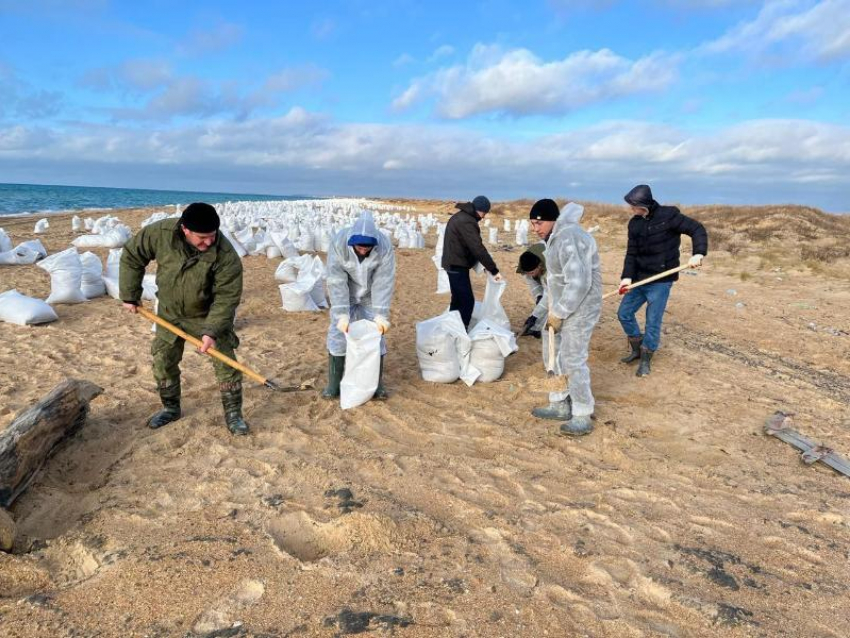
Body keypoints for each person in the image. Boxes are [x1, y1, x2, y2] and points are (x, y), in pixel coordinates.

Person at [120, 202, 248, 435]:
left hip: (206, 314)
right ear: (185, 230)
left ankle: (234, 415)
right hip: (169, 313)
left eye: (212, 236)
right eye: (202, 237)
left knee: (226, 363)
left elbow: (227, 297)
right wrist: (130, 294)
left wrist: (211, 331)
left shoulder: (225, 254)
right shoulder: (160, 234)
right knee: (163, 361)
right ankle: (170, 408)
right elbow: (132, 255)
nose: (209, 242)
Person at [528, 199, 602, 436]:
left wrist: (559, 313)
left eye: (539, 222)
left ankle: (582, 412)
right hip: (562, 305)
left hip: (581, 307)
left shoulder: (570, 237)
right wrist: (541, 314)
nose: (535, 228)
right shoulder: (553, 239)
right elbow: (554, 283)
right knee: (551, 349)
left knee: (572, 356)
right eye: (532, 223)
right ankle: (559, 401)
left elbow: (579, 283)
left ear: (552, 220)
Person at [617, 184, 708, 377]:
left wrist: (698, 253)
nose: (631, 210)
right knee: (624, 313)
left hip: (661, 280)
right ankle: (637, 348)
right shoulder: (634, 223)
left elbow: (697, 229)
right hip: (639, 280)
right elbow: (631, 253)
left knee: (652, 321)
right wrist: (626, 278)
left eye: (634, 206)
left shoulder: (669, 216)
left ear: (645, 204)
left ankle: (646, 358)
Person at [322, 211, 396, 401]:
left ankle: (377, 384)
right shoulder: (339, 243)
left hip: (371, 294)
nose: (363, 250)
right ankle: (334, 384)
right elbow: (336, 279)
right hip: (345, 292)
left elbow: (384, 280)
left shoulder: (384, 246)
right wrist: (341, 314)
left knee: (375, 334)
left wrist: (380, 314)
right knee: (338, 334)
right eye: (359, 247)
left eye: (367, 248)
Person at [441, 195, 502, 329]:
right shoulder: (467, 221)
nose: (484, 216)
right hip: (456, 264)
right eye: (484, 213)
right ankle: (461, 331)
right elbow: (477, 248)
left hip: (454, 262)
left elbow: (469, 246)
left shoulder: (462, 217)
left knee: (457, 299)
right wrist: (493, 269)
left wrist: (484, 266)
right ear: (478, 209)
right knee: (467, 301)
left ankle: (450, 328)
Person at [516, 242, 547, 338]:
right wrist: (539, 295)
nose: (531, 275)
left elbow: (551, 295)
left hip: (569, 282)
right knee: (542, 303)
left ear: (539, 266)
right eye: (528, 273)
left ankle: (541, 328)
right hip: (542, 274)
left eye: (533, 272)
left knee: (552, 304)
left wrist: (534, 316)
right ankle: (536, 329)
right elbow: (532, 282)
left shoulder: (551, 270)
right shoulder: (526, 262)